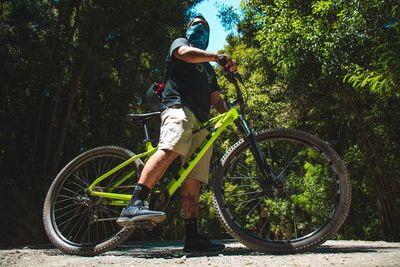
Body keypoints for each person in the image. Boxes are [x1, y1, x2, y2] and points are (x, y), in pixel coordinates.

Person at [117, 14, 237, 253]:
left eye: (205, 26)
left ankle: (192, 238)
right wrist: (217, 56)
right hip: (178, 108)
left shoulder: (209, 72)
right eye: (196, 24)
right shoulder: (180, 44)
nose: (200, 28)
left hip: (202, 124)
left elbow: (216, 100)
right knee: (171, 147)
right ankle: (134, 203)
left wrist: (231, 113)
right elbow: (183, 54)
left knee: (194, 179)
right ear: (188, 29)